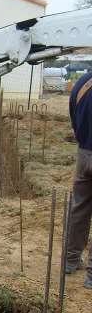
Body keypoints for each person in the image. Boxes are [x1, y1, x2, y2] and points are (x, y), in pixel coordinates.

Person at [66, 70, 92, 289]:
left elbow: (74, 118)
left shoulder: (82, 83)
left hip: (84, 154)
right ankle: (91, 276)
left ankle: (70, 260)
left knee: (80, 207)